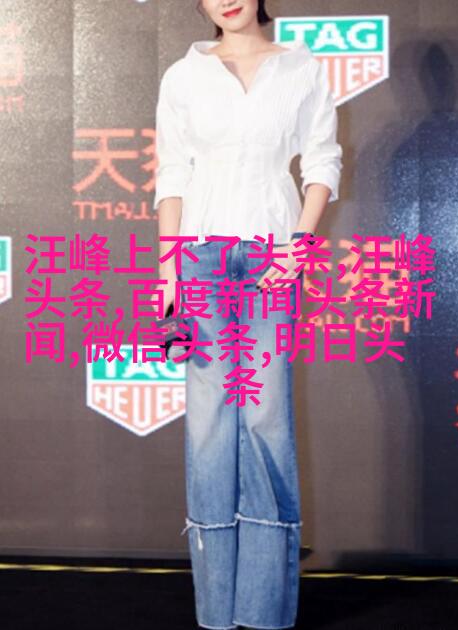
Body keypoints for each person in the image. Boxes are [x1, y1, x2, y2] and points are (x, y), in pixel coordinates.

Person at [153, 1, 342, 628]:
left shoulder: (301, 68)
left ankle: (263, 608)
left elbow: (322, 161)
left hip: (271, 257)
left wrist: (299, 247)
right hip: (199, 258)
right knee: (209, 424)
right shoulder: (185, 75)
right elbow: (172, 174)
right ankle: (216, 607)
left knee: (265, 416)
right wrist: (168, 270)